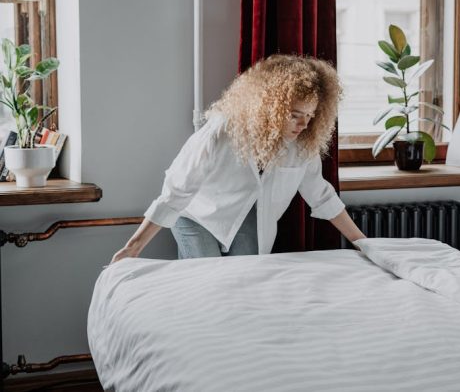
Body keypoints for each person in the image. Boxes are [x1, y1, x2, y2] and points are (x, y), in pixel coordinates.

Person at [111, 54, 365, 263]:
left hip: (250, 219)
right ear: (270, 107)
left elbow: (321, 195)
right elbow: (176, 191)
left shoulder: (302, 145)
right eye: (295, 114)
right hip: (198, 216)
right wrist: (133, 248)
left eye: (310, 116)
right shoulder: (223, 131)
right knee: (207, 283)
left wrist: (363, 244)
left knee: (244, 282)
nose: (304, 124)